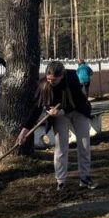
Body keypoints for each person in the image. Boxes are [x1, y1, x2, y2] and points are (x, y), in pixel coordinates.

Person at [18, 60, 95, 192]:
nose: (51, 82)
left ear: (62, 76)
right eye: (48, 79)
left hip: (77, 111)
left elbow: (77, 102)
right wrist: (24, 130)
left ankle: (85, 178)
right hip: (59, 115)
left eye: (54, 80)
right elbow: (36, 109)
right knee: (61, 147)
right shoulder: (43, 85)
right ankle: (61, 181)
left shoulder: (72, 79)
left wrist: (61, 111)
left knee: (84, 145)